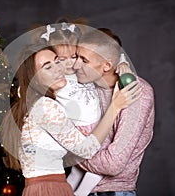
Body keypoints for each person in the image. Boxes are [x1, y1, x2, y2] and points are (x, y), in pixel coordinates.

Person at [9, 26, 141, 195]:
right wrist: (115, 106)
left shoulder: (45, 101)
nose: (58, 68)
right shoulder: (45, 106)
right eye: (47, 67)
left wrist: (122, 63)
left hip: (53, 184)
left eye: (57, 61)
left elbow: (101, 49)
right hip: (48, 189)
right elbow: (85, 150)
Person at [68, 28, 155, 196]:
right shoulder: (81, 87)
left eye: (84, 60)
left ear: (107, 65)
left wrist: (73, 152)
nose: (76, 65)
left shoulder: (136, 92)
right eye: (76, 57)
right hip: (72, 188)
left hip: (113, 192)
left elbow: (113, 164)